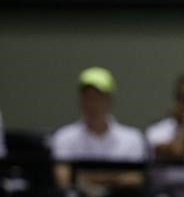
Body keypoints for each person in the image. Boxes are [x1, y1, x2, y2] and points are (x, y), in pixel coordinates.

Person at [50, 66, 148, 197]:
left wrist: (86, 178)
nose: (92, 104)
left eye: (98, 98)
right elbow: (63, 180)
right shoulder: (64, 137)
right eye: (87, 98)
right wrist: (115, 177)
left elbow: (136, 179)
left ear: (110, 101)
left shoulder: (132, 138)